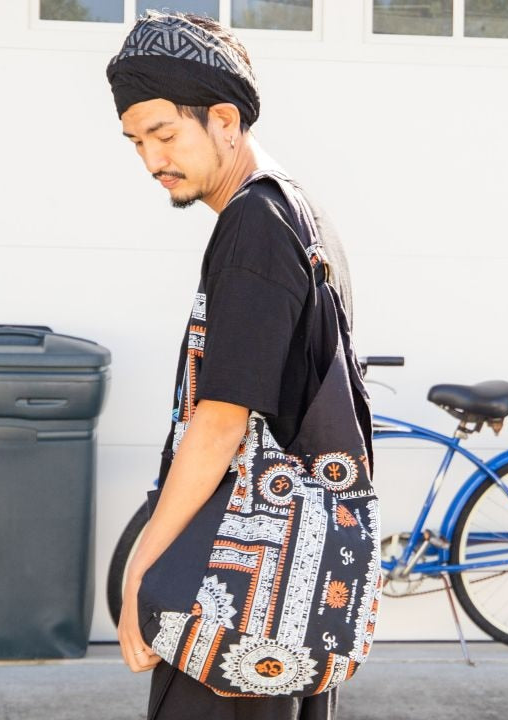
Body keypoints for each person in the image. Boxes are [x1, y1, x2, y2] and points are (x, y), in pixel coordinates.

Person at [106, 11, 364, 720]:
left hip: (230, 589)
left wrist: (139, 572)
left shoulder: (256, 223)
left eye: (164, 134)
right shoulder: (300, 213)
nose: (151, 159)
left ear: (224, 119)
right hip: (283, 598)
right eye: (136, 141)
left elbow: (222, 420)